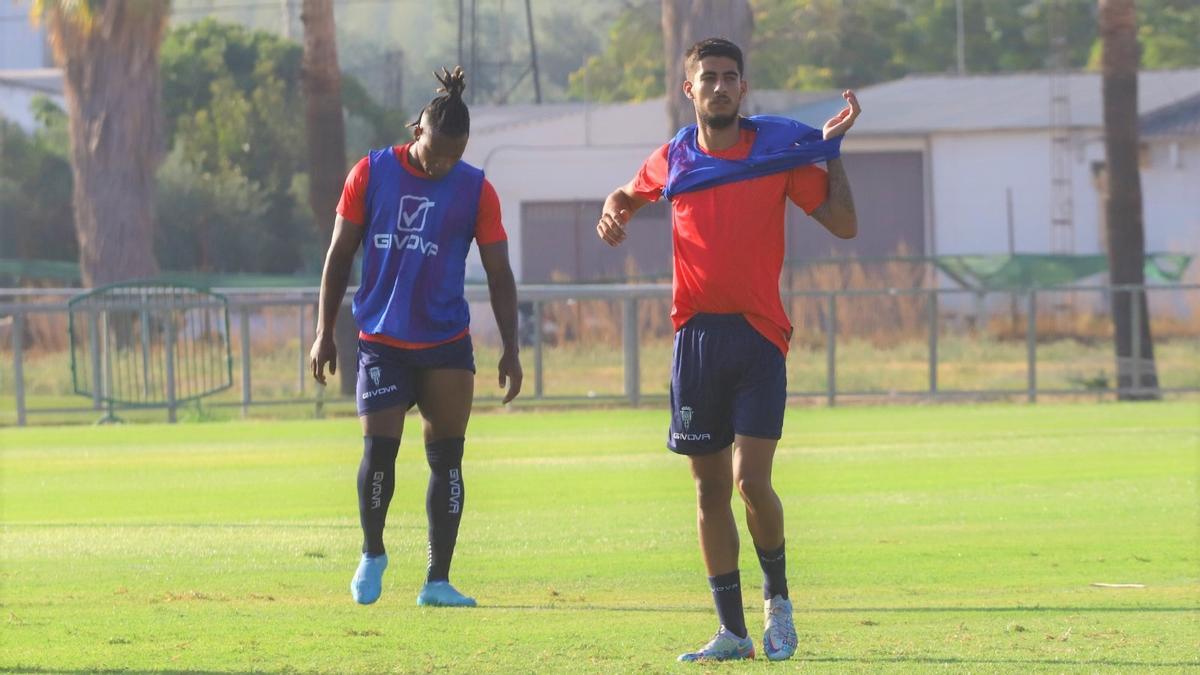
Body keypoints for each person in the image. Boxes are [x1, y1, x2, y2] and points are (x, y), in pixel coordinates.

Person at [596, 38, 860, 662]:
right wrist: (614, 213)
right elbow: (626, 195)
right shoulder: (674, 158)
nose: (719, 86)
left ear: (744, 90)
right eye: (707, 77)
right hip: (695, 340)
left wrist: (833, 150)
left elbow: (845, 224)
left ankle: (779, 605)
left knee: (750, 482)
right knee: (708, 490)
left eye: (729, 78)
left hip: (759, 333)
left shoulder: (775, 156)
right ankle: (732, 632)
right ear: (689, 90)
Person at [310, 66, 522, 608]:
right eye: (435, 151)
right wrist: (323, 333)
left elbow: (500, 273)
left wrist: (512, 349)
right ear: (417, 132)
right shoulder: (372, 172)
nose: (442, 163)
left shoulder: (477, 190)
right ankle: (373, 552)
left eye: (455, 154)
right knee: (379, 452)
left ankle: (438, 580)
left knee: (447, 459)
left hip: (446, 342)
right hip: (381, 337)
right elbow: (338, 256)